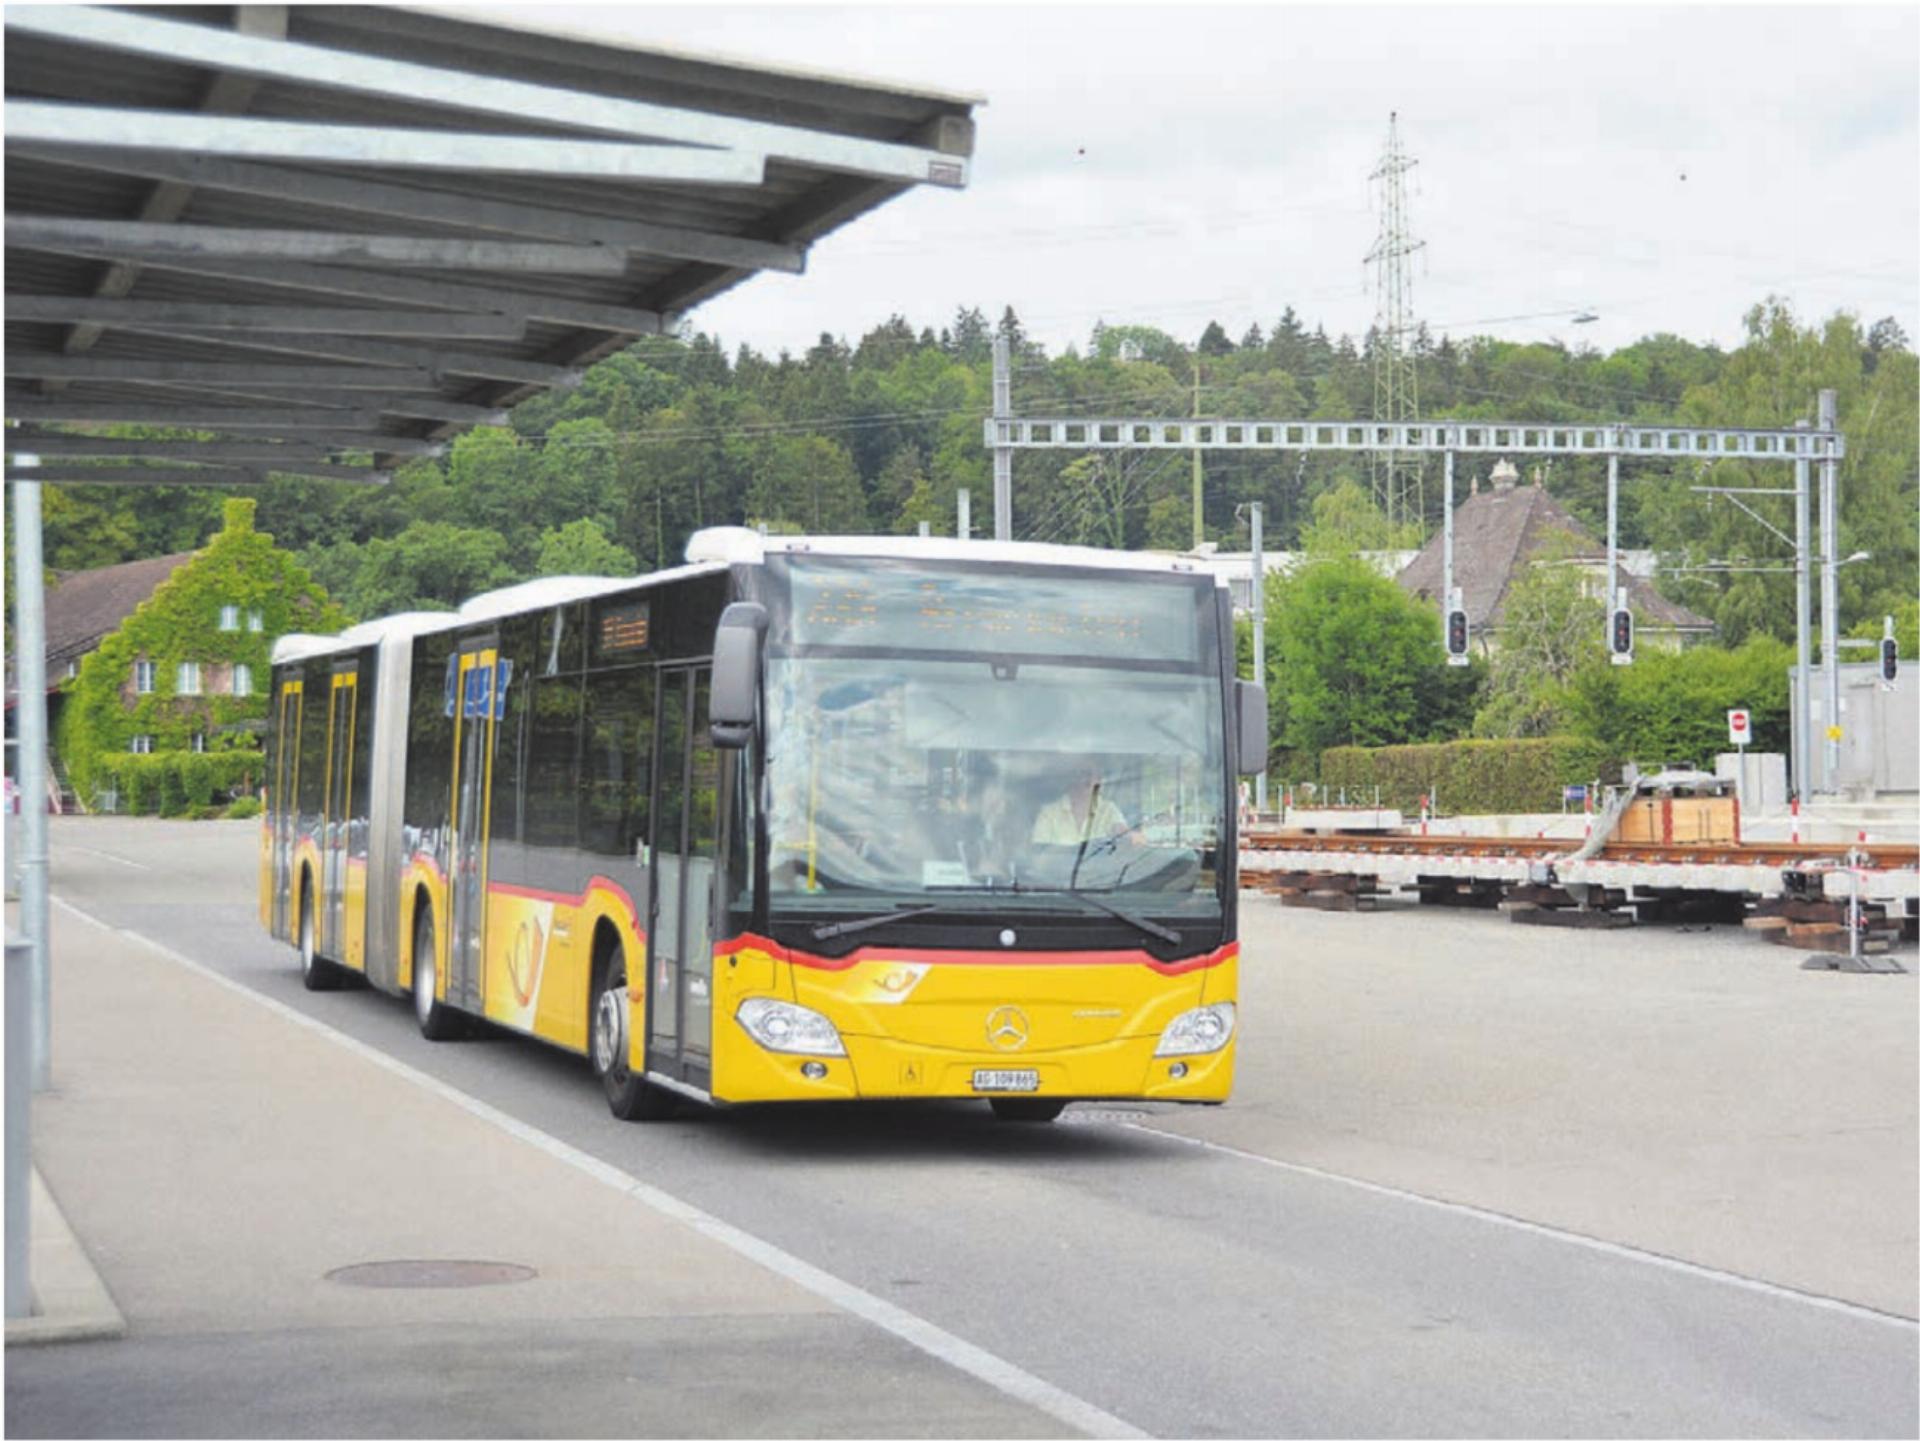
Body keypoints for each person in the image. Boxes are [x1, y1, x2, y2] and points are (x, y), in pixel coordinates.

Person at [1030, 759, 1135, 848]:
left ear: (1099, 780)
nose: (1088, 780)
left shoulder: (1109, 810)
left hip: (1102, 872)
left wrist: (1126, 835)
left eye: (1094, 776)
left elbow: (1123, 836)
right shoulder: (1049, 813)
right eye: (1084, 774)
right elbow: (1039, 855)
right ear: (1071, 778)